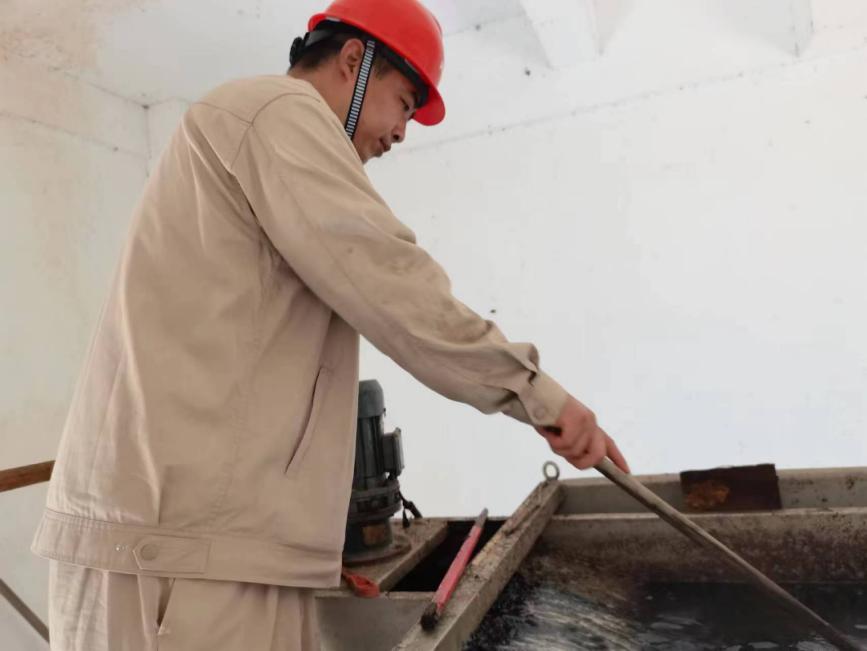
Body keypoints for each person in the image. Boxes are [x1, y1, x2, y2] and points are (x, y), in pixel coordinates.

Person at [32, 0, 629, 649]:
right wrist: (538, 394)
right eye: (404, 103)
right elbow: (391, 281)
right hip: (176, 558)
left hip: (219, 550)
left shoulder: (263, 137)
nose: (402, 132)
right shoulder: (272, 112)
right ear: (352, 60)